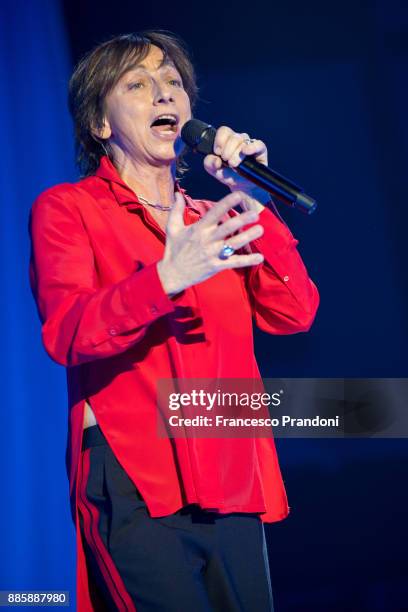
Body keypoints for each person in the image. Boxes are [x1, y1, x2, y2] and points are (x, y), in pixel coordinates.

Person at [29, 30, 319, 612]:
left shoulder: (216, 217)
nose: (164, 94)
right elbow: (68, 332)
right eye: (137, 84)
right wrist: (165, 276)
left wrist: (251, 200)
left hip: (232, 469)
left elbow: (294, 312)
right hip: (136, 472)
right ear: (100, 124)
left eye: (172, 82)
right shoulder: (69, 209)